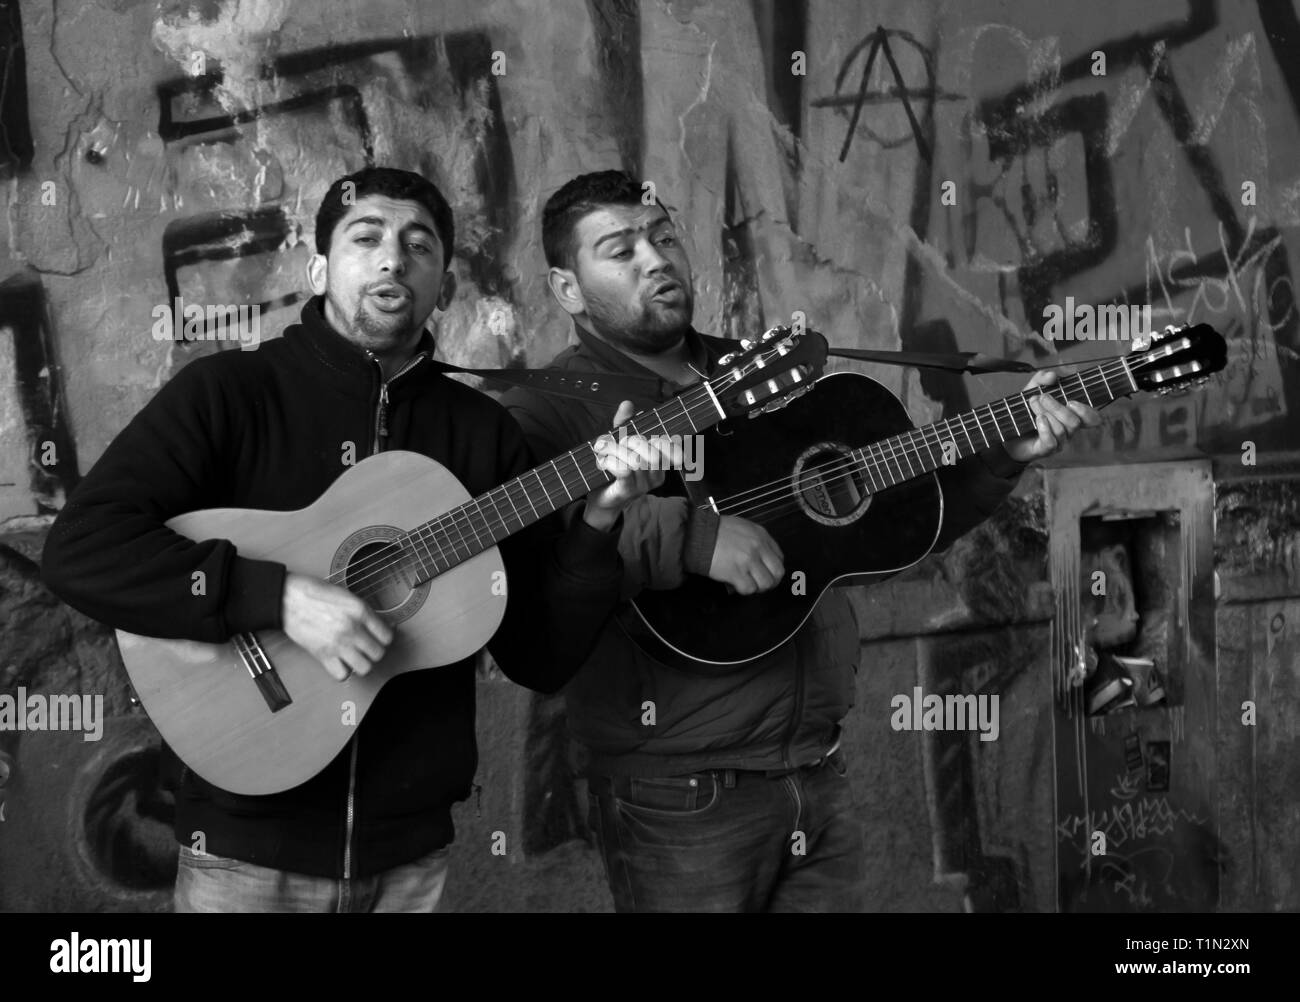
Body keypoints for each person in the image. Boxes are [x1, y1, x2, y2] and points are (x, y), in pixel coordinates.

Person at [40, 166, 672, 913]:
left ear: (443, 284)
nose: (392, 258)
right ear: (319, 269)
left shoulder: (481, 435)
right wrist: (278, 598)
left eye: (419, 245)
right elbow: (80, 548)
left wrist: (600, 519)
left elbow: (540, 655)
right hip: (243, 854)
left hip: (409, 859)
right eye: (365, 238)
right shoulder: (228, 396)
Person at [501, 169, 1101, 912]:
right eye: (619, 250)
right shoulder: (544, 410)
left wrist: (1005, 454)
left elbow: (888, 525)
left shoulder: (755, 374)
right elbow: (531, 552)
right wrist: (693, 536)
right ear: (566, 288)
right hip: (677, 795)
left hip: (816, 769)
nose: (654, 260)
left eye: (662, 237)